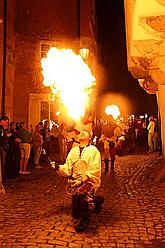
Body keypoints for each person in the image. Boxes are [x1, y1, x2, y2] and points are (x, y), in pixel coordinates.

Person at [56, 130, 103, 232]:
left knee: (82, 196)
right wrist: (57, 167)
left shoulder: (94, 151)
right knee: (75, 213)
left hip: (89, 182)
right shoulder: (73, 151)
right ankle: (97, 201)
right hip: (75, 182)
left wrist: (82, 182)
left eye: (85, 132)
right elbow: (67, 168)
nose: (82, 132)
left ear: (89, 138)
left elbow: (95, 170)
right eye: (82, 132)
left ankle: (85, 221)